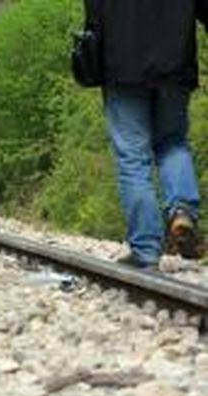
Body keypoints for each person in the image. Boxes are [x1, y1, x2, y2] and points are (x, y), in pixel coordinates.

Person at [86, 0, 208, 268]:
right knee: (173, 142)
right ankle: (182, 211)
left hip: (121, 62)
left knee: (132, 156)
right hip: (175, 60)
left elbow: (94, 13)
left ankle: (146, 249)